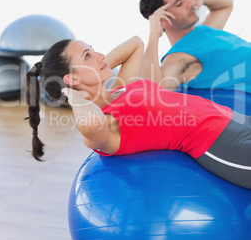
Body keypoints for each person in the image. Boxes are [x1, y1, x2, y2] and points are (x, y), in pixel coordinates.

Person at [25, 37, 251, 189]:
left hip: (231, 117)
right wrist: (74, 96)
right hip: (220, 143)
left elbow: (135, 44)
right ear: (71, 79)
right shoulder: (105, 122)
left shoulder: (121, 87)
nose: (100, 55)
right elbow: (89, 124)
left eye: (92, 50)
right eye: (87, 56)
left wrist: (94, 69)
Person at [139, 0, 251, 93]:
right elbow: (152, 91)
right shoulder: (179, 58)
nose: (190, 3)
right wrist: (153, 35)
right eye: (179, 4)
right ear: (163, 19)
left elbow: (226, 4)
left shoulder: (205, 29)